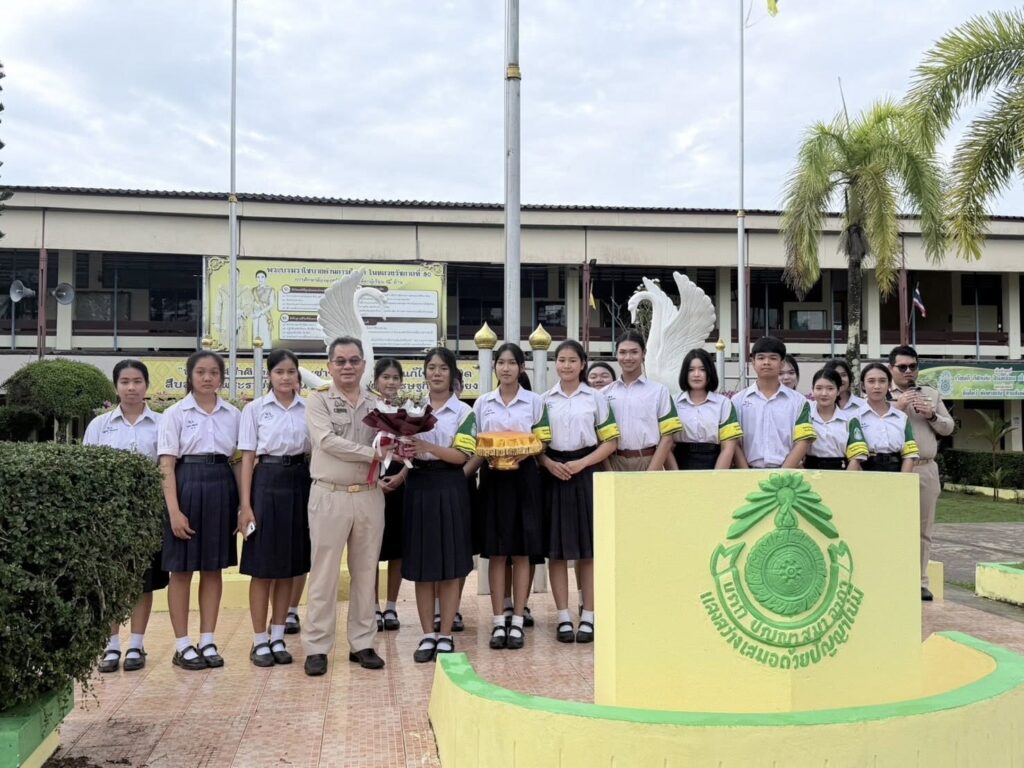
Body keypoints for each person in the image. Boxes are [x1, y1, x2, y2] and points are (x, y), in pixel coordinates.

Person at [303, 336, 387, 675]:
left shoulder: (377, 403)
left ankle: (363, 643)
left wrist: (397, 447)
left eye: (354, 360)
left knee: (366, 572)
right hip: (330, 494)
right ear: (330, 366)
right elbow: (326, 441)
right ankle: (316, 647)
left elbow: (388, 439)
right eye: (340, 361)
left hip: (369, 494)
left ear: (364, 365)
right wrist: (372, 454)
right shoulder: (318, 399)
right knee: (323, 574)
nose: (347, 367)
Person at [158, 351, 240, 670]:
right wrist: (174, 511)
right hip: (187, 484)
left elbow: (238, 461)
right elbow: (166, 465)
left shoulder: (233, 414)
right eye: (201, 372)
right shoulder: (175, 413)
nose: (207, 378)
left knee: (213, 568)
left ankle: (207, 639)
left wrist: (241, 505)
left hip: (222, 485)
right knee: (181, 570)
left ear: (222, 377)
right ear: (190, 376)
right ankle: (182, 645)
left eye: (214, 372)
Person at [86, 360, 167, 673]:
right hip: (108, 516)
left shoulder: (162, 423)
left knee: (142, 581)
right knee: (110, 579)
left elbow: (167, 468)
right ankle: (111, 645)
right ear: (116, 386)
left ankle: (136, 644)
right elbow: (88, 470)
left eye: (137, 381)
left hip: (148, 513)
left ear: (146, 385)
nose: (131, 388)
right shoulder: (99, 425)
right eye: (124, 382)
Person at [468, 342, 550, 651]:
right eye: (501, 362)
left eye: (512, 363)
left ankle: (517, 620)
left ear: (521, 367)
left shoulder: (535, 402)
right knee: (497, 551)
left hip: (525, 478)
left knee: (522, 550)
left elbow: (543, 440)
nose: (506, 368)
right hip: (492, 478)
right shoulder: (483, 403)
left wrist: (522, 451)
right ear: (494, 368)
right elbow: (475, 443)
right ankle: (498, 620)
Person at [540, 340, 619, 644]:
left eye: (573, 360)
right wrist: (548, 464)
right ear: (555, 364)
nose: (567, 365)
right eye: (561, 360)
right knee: (557, 551)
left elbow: (610, 441)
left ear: (582, 364)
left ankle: (589, 615)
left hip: (587, 472)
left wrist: (582, 463)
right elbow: (537, 445)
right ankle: (563, 616)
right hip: (554, 473)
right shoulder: (544, 401)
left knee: (589, 549)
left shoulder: (596, 398)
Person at [237, 349, 311, 667]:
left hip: (299, 482)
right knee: (263, 567)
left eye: (291, 372)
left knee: (289, 567)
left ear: (298, 375)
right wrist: (245, 505)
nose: (285, 377)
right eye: (279, 371)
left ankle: (278, 635)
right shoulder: (255, 409)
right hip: (265, 482)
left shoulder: (308, 409)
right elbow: (247, 458)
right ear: (269, 375)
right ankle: (259, 640)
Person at [402, 347, 477, 662]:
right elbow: (403, 449)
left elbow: (461, 456)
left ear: (452, 374)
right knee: (423, 566)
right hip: (418, 485)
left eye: (443, 368)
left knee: (449, 565)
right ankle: (426, 635)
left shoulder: (464, 412)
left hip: (450, 485)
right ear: (424, 373)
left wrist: (427, 446)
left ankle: (445, 634)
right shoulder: (410, 409)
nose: (436, 373)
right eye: (431, 367)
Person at [887, 345, 955, 601]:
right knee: (892, 526)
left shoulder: (930, 394)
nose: (908, 371)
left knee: (923, 529)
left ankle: (920, 582)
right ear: (891, 368)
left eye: (913, 367)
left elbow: (949, 427)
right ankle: (892, 578)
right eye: (902, 367)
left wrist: (932, 415)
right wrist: (897, 408)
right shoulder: (881, 392)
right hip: (893, 468)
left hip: (925, 467)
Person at [732, 336, 816, 468]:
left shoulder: (799, 401)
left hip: (787, 474)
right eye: (761, 358)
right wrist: (746, 472)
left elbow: (803, 441)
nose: (766, 362)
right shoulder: (737, 401)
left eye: (773, 358)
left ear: (781, 363)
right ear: (753, 362)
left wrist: (782, 474)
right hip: (748, 472)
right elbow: (734, 442)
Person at [603, 330, 681, 471]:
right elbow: (600, 438)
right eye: (622, 352)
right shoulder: (604, 393)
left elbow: (667, 438)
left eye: (634, 352)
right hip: (613, 462)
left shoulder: (659, 391)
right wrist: (608, 470)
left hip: (649, 461)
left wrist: (650, 472)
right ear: (616, 355)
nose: (628, 357)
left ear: (643, 353)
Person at [371, 358, 407, 633]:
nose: (391, 382)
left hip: (400, 482)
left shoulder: (409, 411)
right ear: (376, 381)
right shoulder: (367, 410)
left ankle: (391, 606)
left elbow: (413, 451)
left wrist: (402, 476)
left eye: (395, 378)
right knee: (369, 550)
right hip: (369, 484)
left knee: (397, 550)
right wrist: (373, 481)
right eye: (386, 377)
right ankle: (371, 606)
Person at [672, 348, 742, 470]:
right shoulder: (673, 402)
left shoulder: (724, 404)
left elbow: (728, 448)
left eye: (702, 369)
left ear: (710, 372)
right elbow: (667, 444)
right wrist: (675, 475)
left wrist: (716, 477)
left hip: (715, 463)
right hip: (679, 464)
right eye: (691, 370)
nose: (696, 374)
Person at [851, 362, 918, 474]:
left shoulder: (901, 417)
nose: (877, 386)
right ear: (863, 385)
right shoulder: (855, 417)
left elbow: (909, 455)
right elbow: (855, 458)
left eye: (882, 381)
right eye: (871, 381)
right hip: (866, 472)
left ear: (889, 385)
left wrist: (902, 480)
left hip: (897, 472)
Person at [805, 367, 866, 471]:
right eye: (819, 388)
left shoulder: (850, 420)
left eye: (830, 388)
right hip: (809, 471)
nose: (824, 393)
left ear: (838, 391)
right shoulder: (804, 416)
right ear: (812, 390)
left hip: (840, 471)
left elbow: (856, 457)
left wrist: (845, 478)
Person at [251, 270, 275, 347]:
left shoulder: (270, 289)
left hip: (265, 315)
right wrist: (252, 313)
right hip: (255, 315)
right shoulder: (253, 290)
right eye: (258, 277)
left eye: (262, 277)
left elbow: (271, 304)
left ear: (265, 278)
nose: (260, 279)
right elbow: (250, 302)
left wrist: (261, 312)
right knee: (255, 335)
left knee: (265, 335)